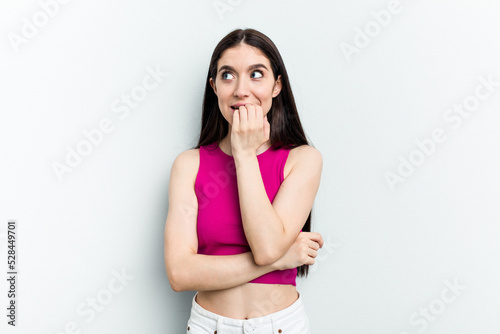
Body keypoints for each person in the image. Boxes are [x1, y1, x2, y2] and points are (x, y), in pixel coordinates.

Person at [164, 28, 324, 334]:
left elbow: (265, 247)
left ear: (277, 85)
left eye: (256, 74)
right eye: (227, 75)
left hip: (281, 326)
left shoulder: (303, 159)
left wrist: (244, 154)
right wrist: (279, 260)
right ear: (214, 87)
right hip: (207, 327)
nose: (240, 90)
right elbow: (179, 273)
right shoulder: (189, 165)